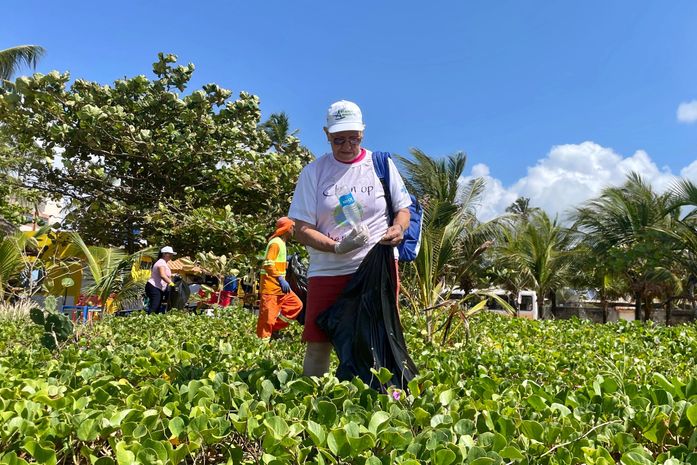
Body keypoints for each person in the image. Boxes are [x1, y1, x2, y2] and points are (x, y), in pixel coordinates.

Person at [288, 100, 411, 376]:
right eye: (338, 140)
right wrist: (336, 247)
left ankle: (381, 399)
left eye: (353, 139)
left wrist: (398, 229)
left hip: (376, 269)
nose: (346, 146)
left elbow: (403, 209)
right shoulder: (314, 173)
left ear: (363, 133)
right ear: (326, 135)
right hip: (328, 270)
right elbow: (300, 228)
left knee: (379, 338)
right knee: (318, 343)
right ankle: (309, 403)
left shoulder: (381, 165)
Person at [256, 217, 303, 339]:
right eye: (292, 227)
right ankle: (262, 344)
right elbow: (268, 264)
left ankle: (274, 329)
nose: (294, 230)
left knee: (295, 305)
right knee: (267, 319)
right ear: (287, 228)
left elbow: (277, 263)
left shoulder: (281, 243)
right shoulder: (276, 243)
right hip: (271, 287)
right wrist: (280, 279)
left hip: (279, 288)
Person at [145, 246, 176, 314]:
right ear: (164, 254)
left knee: (157, 307)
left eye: (172, 254)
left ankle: (152, 321)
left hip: (158, 288)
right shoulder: (161, 263)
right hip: (154, 287)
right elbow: (162, 275)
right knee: (154, 307)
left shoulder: (164, 263)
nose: (171, 256)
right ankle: (148, 321)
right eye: (170, 254)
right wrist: (171, 283)